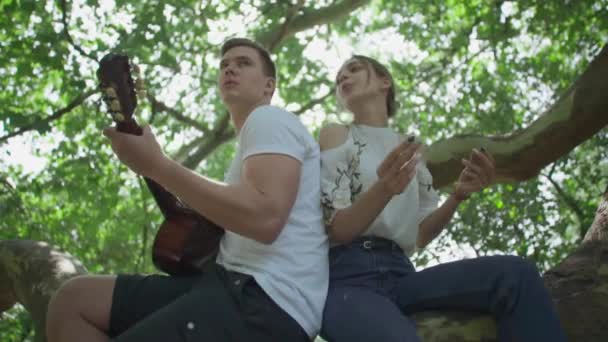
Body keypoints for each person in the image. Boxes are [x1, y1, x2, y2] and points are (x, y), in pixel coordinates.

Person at [46, 38, 328, 342]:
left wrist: (157, 165)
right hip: (224, 284)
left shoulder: (270, 119)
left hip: (265, 300)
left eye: (243, 63)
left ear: (268, 87)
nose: (230, 68)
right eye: (225, 65)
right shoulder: (247, 151)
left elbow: (265, 218)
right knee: (74, 301)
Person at [318, 55, 567, 342]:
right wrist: (384, 189)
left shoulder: (411, 151)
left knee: (517, 275)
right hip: (348, 279)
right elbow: (338, 227)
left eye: (353, 69)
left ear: (384, 82)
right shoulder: (336, 134)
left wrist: (457, 197)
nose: (342, 77)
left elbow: (420, 235)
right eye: (338, 77)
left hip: (402, 273)